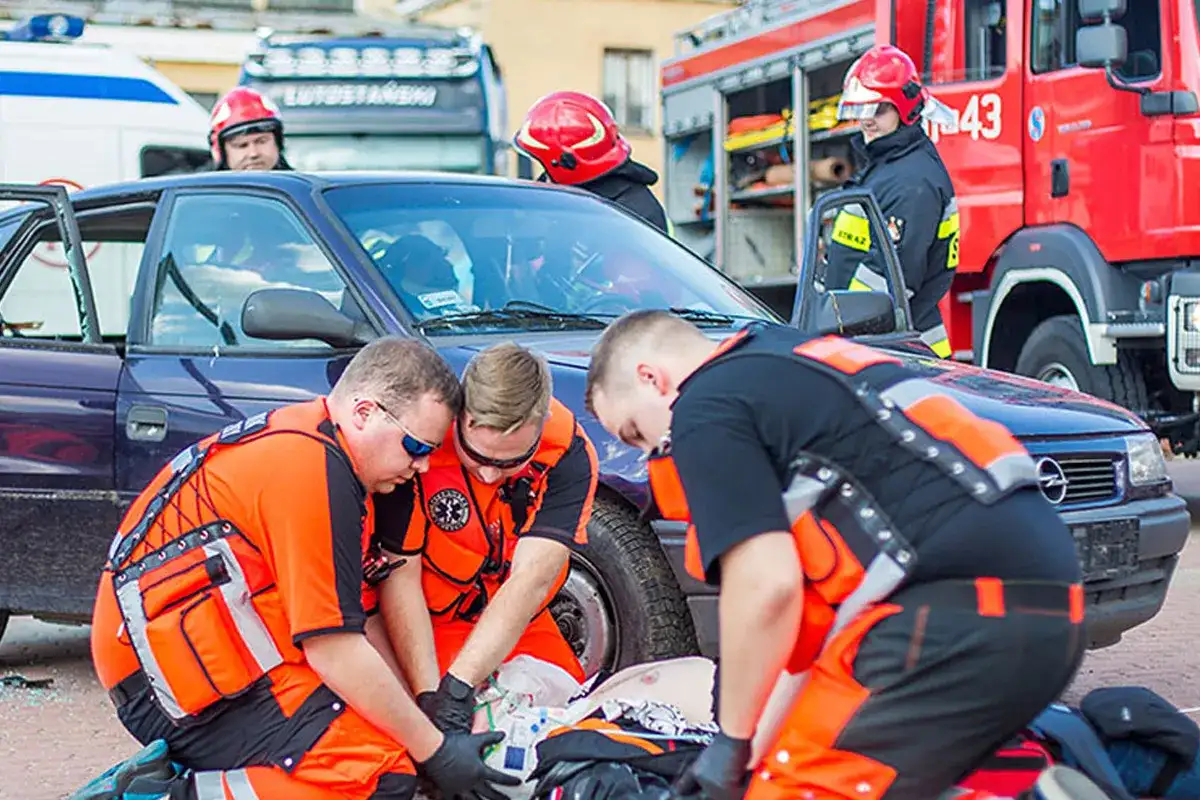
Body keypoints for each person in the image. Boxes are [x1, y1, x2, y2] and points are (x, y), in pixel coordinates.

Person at [582, 310, 1109, 800]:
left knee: (798, 789)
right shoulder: (788, 369)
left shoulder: (704, 408)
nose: (650, 452)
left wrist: (731, 741)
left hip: (949, 618)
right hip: (1044, 613)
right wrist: (749, 753)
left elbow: (766, 587)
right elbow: (805, 633)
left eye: (635, 432)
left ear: (652, 378)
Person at [89, 336, 521, 800]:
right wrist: (436, 751)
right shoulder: (312, 469)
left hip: (218, 650)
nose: (422, 466)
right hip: (166, 675)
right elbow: (333, 648)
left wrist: (424, 721)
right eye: (415, 446)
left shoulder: (323, 449)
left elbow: (358, 618)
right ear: (364, 412)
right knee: (381, 779)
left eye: (430, 452)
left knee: (396, 745)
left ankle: (181, 779)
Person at [372, 341, 598, 735]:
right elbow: (400, 576)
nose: (490, 475)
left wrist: (459, 687)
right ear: (462, 418)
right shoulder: (423, 445)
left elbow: (532, 579)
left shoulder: (566, 454)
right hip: (426, 622)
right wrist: (432, 696)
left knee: (570, 720)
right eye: (477, 457)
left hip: (517, 621)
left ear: (541, 425)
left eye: (511, 462)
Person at [825, 44, 958, 358]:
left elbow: (893, 279)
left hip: (891, 347)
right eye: (861, 111)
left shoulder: (912, 181)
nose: (867, 121)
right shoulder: (889, 165)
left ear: (905, 110)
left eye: (878, 110)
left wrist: (840, 327)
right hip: (882, 341)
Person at [514, 90, 670, 235]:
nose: (543, 182)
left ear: (565, 167)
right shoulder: (592, 204)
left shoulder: (626, 215)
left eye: (546, 171)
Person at [208, 85, 294, 172]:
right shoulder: (203, 180)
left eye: (262, 141)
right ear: (221, 152)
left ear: (278, 143)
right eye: (241, 145)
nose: (253, 153)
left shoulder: (298, 180)